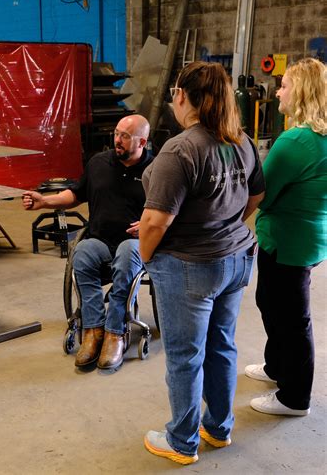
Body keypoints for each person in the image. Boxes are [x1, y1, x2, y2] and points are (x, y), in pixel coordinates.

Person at [138, 62, 265, 465]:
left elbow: (156, 220)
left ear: (182, 96)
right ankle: (218, 428)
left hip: (190, 266)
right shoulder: (240, 140)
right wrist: (223, 223)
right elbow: (255, 196)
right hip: (236, 258)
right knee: (222, 346)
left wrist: (144, 257)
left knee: (185, 355)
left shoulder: (180, 148)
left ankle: (181, 441)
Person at [22, 114, 152, 370]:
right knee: (81, 255)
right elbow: (76, 194)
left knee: (127, 256)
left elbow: (169, 208)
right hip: (100, 239)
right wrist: (45, 201)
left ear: (142, 141)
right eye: (116, 133)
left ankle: (115, 332)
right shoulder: (98, 163)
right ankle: (93, 330)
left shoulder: (156, 170)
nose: (118, 140)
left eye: (125, 137)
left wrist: (149, 224)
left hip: (135, 243)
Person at [245, 58, 327, 416]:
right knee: (271, 303)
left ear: (302, 92)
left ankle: (295, 398)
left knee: (292, 320)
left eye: (285, 85)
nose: (278, 91)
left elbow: (261, 193)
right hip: (307, 238)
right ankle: (276, 367)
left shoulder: (295, 140)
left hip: (287, 242)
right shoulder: (319, 137)